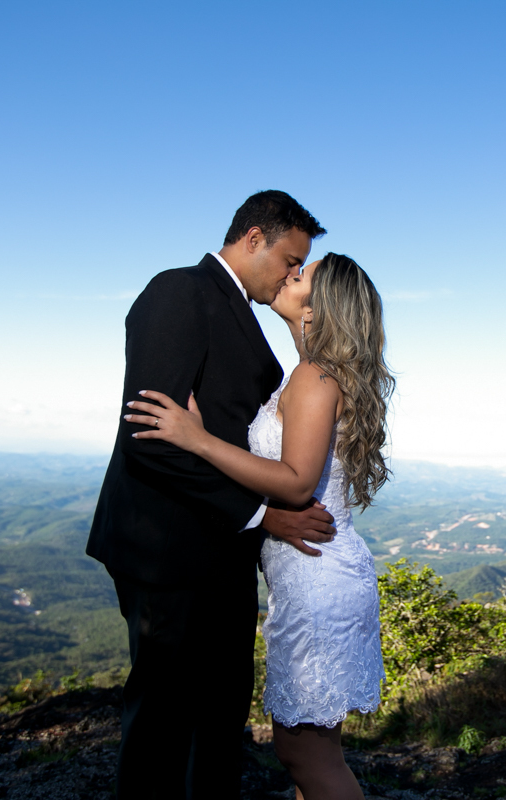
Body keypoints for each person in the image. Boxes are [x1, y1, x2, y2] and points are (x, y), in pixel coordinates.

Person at [86, 190, 338, 799]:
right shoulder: (180, 292)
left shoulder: (241, 313)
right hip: (168, 551)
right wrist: (261, 515)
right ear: (253, 239)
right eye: (289, 261)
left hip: (222, 554)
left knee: (219, 718)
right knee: (164, 721)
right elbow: (151, 439)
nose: (292, 275)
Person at [126, 252, 392, 800]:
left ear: (318, 309)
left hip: (317, 577)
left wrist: (198, 440)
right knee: (314, 752)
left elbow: (294, 484)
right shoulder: (312, 374)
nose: (291, 274)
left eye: (303, 275)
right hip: (315, 571)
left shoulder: (315, 377)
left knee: (306, 755)